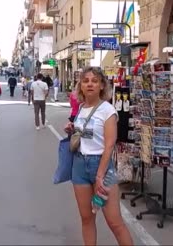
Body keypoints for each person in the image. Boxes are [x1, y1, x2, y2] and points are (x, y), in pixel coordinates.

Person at [63, 66, 133, 246]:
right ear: (81, 86)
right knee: (86, 219)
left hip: (102, 167)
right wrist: (71, 130)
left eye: (94, 81)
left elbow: (109, 145)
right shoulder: (81, 108)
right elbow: (84, 136)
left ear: (102, 85)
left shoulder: (107, 110)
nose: (90, 84)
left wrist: (100, 175)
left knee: (115, 222)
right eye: (85, 81)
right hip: (79, 166)